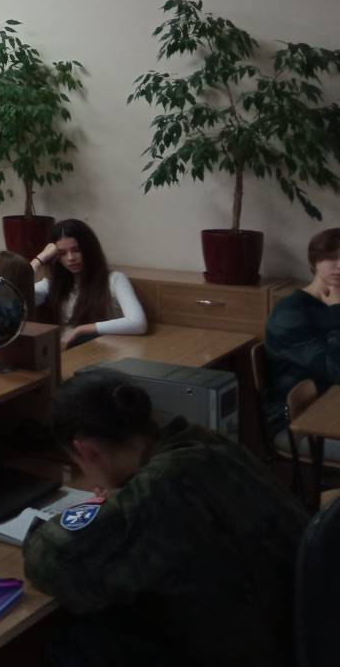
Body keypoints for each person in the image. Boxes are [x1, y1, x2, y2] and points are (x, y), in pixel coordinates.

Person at [23, 369, 308, 667]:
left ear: (86, 450)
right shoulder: (206, 444)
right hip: (294, 633)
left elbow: (51, 560)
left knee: (74, 640)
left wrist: (107, 504)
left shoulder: (161, 487)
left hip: (254, 649)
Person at [264, 227, 340, 458]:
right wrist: (337, 312)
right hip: (298, 424)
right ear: (314, 262)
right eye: (331, 258)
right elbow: (336, 372)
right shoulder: (291, 313)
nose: (339, 266)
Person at [32, 219, 146, 349]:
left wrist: (79, 330)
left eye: (76, 250)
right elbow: (16, 301)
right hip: (68, 353)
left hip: (104, 352)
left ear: (89, 249)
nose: (70, 258)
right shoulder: (51, 285)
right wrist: (39, 260)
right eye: (62, 253)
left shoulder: (114, 280)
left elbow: (138, 323)